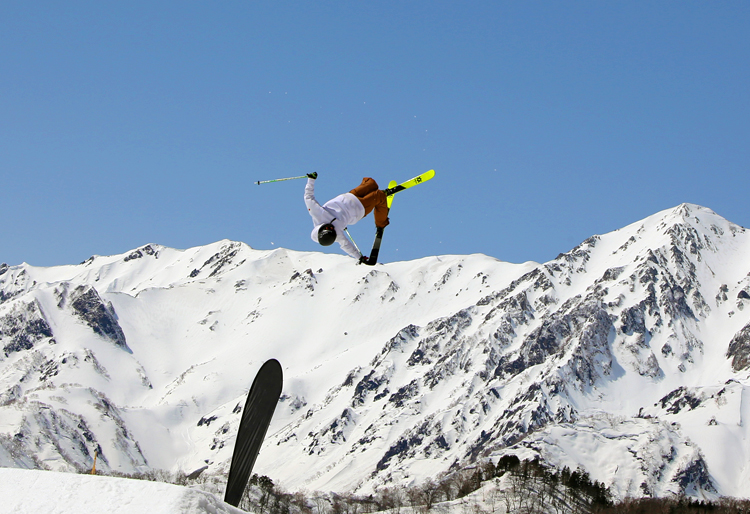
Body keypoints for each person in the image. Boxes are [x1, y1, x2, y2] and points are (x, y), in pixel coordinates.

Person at [304, 172, 389, 261]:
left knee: (371, 183)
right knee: (380, 195)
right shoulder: (337, 234)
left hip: (350, 196)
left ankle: (380, 195)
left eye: (329, 228)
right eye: (333, 230)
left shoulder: (317, 213)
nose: (332, 228)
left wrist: (311, 180)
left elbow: (308, 197)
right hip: (359, 208)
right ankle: (381, 223)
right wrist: (359, 257)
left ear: (321, 229)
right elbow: (346, 245)